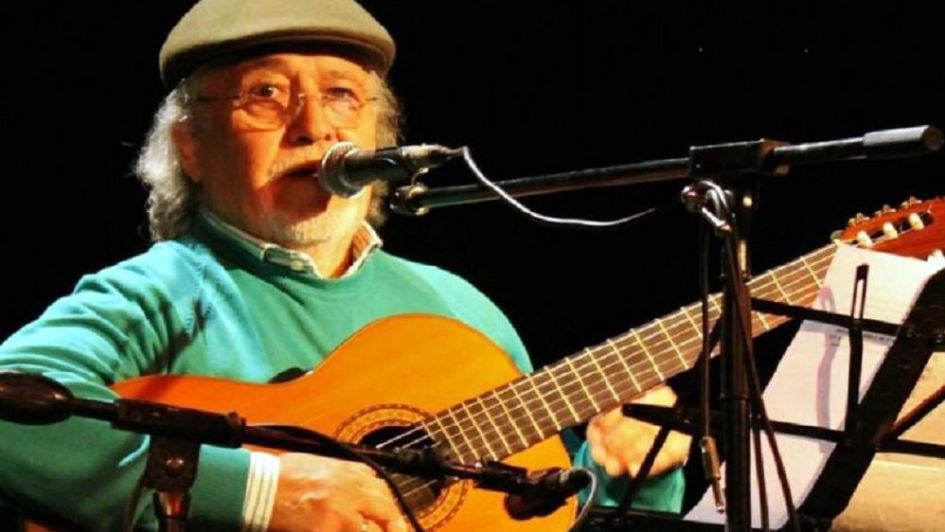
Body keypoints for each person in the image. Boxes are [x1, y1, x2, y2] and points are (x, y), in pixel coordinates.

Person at [0, 0, 689, 530]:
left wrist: (630, 471)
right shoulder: (158, 292)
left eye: (341, 95)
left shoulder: (460, 311)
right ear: (191, 147)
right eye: (266, 93)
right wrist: (261, 495)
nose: (315, 126)